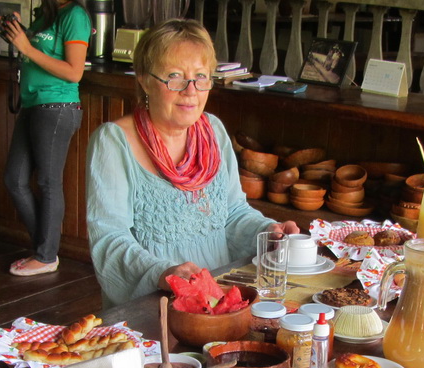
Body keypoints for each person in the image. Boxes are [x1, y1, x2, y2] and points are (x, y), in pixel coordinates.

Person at [85, 19, 299, 308]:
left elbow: (233, 213)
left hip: (219, 300)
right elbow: (110, 240)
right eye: (175, 76)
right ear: (145, 80)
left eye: (201, 77)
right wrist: (162, 273)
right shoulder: (114, 142)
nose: (191, 91)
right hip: (155, 304)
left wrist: (269, 232)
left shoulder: (213, 131)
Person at [1, 0, 92, 276]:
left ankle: (46, 255)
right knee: (14, 180)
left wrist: (26, 47)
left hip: (57, 106)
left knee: (48, 182)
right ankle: (44, 248)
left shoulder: (75, 15)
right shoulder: (47, 14)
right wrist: (19, 33)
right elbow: (40, 51)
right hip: (33, 104)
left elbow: (74, 71)